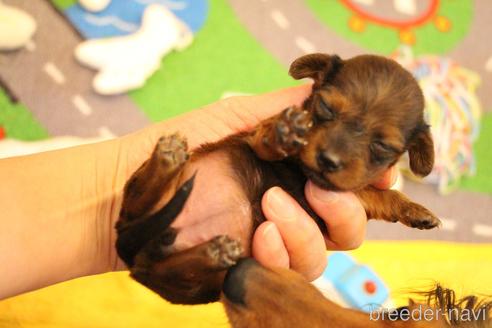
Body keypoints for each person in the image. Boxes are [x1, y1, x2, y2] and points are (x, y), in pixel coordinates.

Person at [0, 84, 395, 300]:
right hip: (167, 204)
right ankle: (164, 176)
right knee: (146, 225)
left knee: (174, 271)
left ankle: (200, 251)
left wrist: (395, 204)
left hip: (194, 253)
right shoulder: (294, 118)